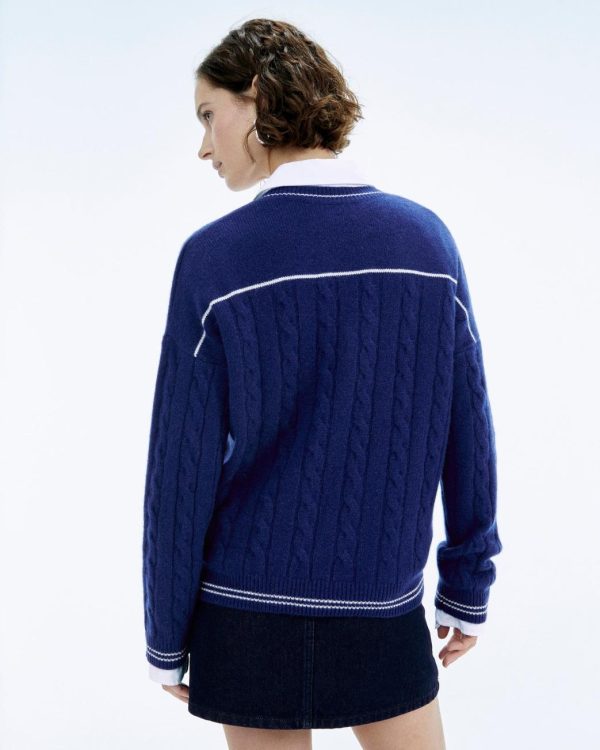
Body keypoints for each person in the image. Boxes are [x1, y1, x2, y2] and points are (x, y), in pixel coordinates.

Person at [141, 17, 502, 750]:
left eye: (209, 115)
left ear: (258, 96)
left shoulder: (214, 259)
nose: (204, 145)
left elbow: (180, 470)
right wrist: (467, 582)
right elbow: (468, 428)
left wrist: (165, 633)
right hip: (381, 606)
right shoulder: (425, 242)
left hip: (244, 614)